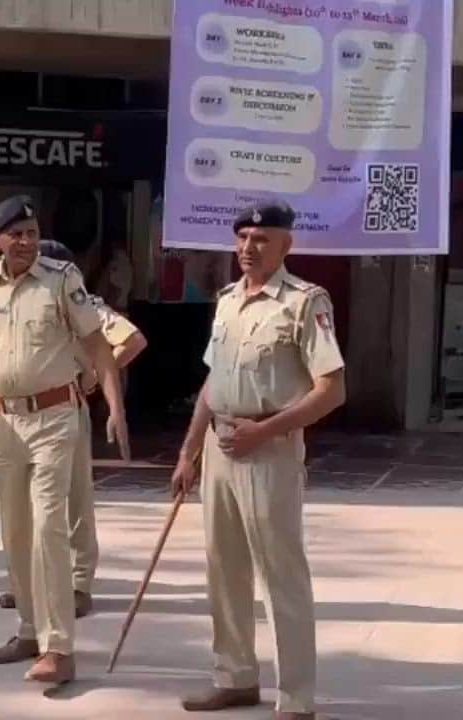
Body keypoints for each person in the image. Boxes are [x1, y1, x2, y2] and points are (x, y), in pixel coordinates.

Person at [0, 195, 131, 685]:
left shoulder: (62, 279)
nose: (25, 241)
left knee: (49, 528)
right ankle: (29, 630)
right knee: (16, 530)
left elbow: (98, 346)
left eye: (31, 232)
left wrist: (115, 407)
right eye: (16, 234)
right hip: (1, 422)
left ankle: (59, 647)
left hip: (54, 418)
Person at [170, 200, 345, 720]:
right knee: (223, 568)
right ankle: (235, 677)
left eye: (262, 238)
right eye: (243, 237)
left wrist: (264, 430)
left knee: (280, 573)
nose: (249, 247)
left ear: (286, 244)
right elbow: (213, 382)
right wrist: (189, 452)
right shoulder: (227, 300)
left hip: (269, 448)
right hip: (222, 448)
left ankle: (296, 698)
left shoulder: (304, 303)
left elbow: (332, 390)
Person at [0, 239, 147, 617]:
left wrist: (93, 376)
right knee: (23, 503)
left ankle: (78, 584)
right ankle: (29, 582)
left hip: (65, 407)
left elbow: (132, 340)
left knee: (74, 498)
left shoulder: (84, 304)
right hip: (16, 414)